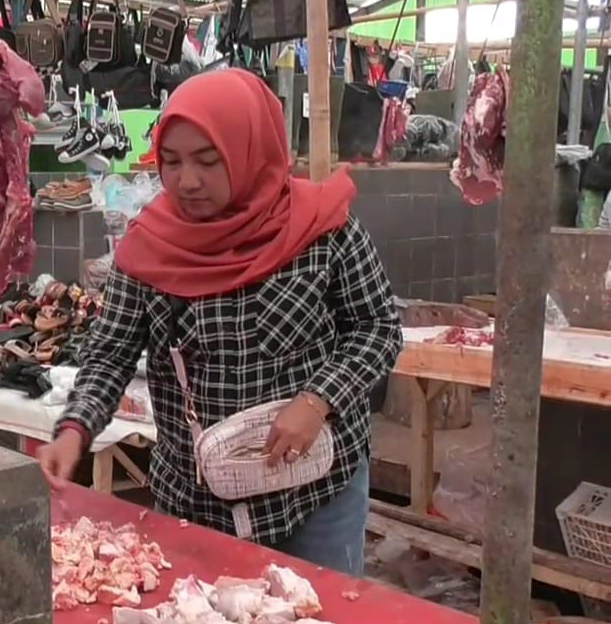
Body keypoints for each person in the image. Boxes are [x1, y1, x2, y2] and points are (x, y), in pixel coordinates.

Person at [37, 68, 403, 576]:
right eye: (171, 161)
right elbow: (110, 353)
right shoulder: (152, 249)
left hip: (314, 495)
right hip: (197, 499)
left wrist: (319, 400)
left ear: (249, 151)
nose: (187, 180)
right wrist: (74, 430)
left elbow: (378, 328)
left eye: (208, 161)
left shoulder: (324, 231)